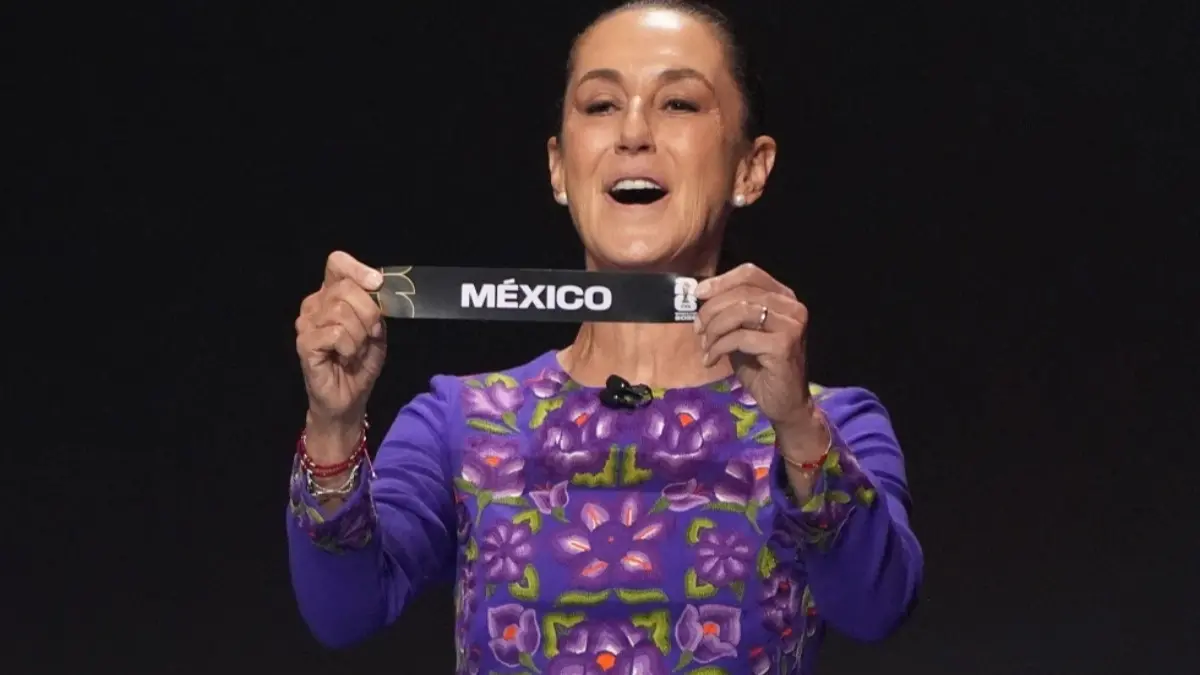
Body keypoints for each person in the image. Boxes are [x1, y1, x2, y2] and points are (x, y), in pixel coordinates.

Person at [288, 2, 923, 673]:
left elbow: (877, 607)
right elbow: (344, 613)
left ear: (750, 167)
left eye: (678, 103)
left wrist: (794, 423)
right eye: (600, 105)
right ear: (560, 168)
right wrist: (334, 423)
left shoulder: (834, 426)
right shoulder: (459, 422)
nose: (634, 132)